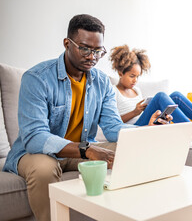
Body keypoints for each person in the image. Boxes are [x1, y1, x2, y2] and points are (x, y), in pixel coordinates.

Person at [2, 14, 170, 221]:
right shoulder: (37, 78)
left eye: (97, 51)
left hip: (78, 151)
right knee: (44, 169)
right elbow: (35, 137)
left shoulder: (102, 82)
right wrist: (87, 149)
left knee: (132, 149)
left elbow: (111, 127)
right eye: (85, 48)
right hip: (34, 153)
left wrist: (147, 132)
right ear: (67, 44)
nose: (92, 56)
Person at [109, 45, 192, 141]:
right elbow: (112, 125)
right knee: (160, 96)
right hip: (133, 130)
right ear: (121, 73)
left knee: (176, 96)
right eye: (132, 76)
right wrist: (135, 112)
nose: (135, 80)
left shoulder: (136, 90)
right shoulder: (114, 92)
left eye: (138, 76)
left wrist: (145, 109)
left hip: (148, 122)